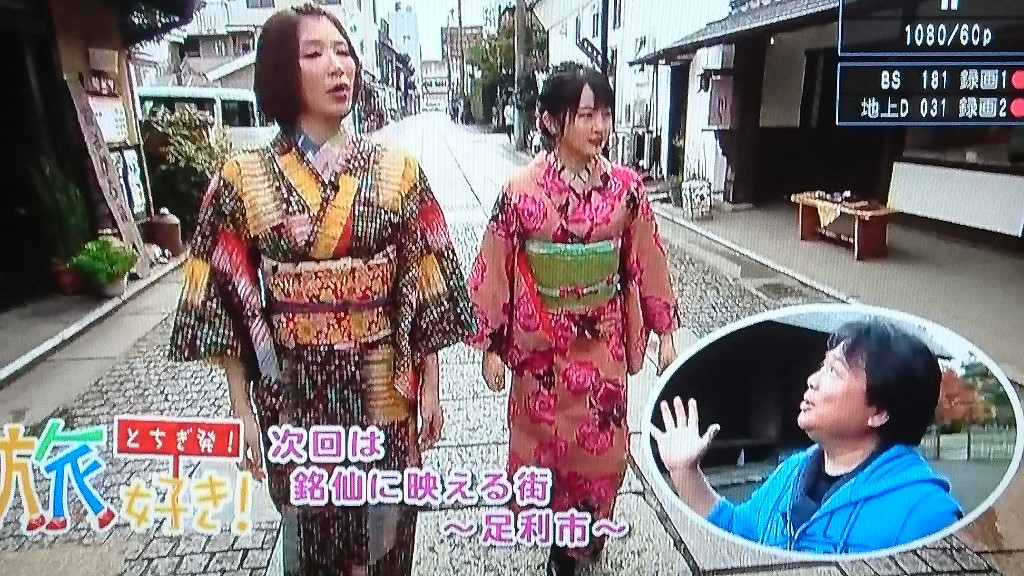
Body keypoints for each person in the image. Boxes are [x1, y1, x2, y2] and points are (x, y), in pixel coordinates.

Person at [167, 4, 475, 575]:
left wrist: (430, 385)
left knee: (387, 533)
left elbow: (424, 278)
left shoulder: (398, 171)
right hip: (295, 392)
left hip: (383, 388)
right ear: (281, 72)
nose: (339, 65)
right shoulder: (242, 178)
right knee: (311, 536)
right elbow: (224, 295)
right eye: (314, 53)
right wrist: (242, 410)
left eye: (343, 51)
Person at [466, 64, 682, 575]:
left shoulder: (626, 189)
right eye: (586, 115)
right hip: (539, 347)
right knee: (543, 450)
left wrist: (665, 330)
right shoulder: (520, 191)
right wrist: (491, 344)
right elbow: (495, 263)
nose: (599, 126)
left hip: (601, 341)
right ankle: (563, 543)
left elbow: (647, 258)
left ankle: (586, 536)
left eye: (604, 114)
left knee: (603, 451)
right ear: (550, 121)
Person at [653, 318, 963, 555]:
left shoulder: (927, 514)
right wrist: (685, 472)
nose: (812, 380)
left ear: (879, 412)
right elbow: (740, 531)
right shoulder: (791, 472)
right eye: (821, 367)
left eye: (834, 372)